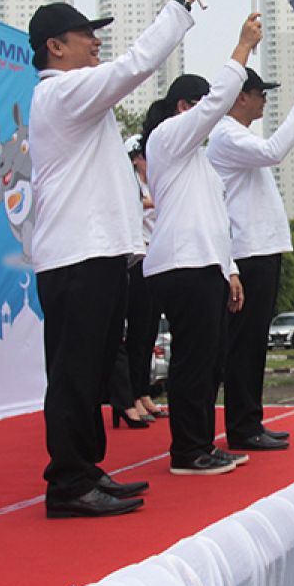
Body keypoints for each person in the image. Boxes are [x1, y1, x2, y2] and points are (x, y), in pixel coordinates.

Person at [27, 0, 199, 518]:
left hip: (98, 254)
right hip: (75, 257)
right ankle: (68, 484)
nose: (95, 42)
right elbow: (136, 65)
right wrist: (179, 5)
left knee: (95, 369)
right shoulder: (62, 93)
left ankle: (87, 470)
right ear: (55, 46)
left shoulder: (80, 100)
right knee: (75, 373)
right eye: (85, 34)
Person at [142, 14, 262, 476]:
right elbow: (215, 104)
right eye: (196, 106)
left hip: (205, 265)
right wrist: (242, 46)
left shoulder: (201, 162)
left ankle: (199, 444)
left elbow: (216, 222)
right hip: (179, 265)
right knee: (193, 361)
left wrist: (230, 270)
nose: (206, 114)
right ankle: (187, 452)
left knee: (211, 359)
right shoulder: (167, 140)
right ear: (181, 108)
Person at [206, 71, 294, 451]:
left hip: (260, 249)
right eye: (259, 94)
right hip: (247, 251)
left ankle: (250, 420)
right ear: (239, 98)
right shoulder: (226, 134)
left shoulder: (240, 136)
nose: (264, 100)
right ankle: (242, 426)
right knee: (244, 343)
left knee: (254, 342)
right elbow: (275, 151)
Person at [124, 134, 166, 421]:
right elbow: (137, 210)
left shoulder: (157, 182)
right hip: (138, 258)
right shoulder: (130, 186)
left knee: (150, 329)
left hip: (157, 258)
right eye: (143, 155)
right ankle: (131, 394)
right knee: (137, 332)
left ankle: (144, 392)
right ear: (135, 159)